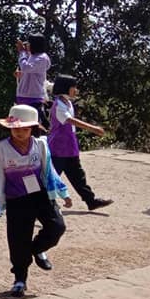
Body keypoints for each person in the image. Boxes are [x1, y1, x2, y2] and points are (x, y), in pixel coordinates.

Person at [0, 104, 71, 297]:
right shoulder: (3, 147)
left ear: (32, 128)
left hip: (40, 195)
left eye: (25, 129)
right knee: (18, 239)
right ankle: (20, 279)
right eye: (16, 128)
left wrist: (63, 192)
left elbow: (49, 170)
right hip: (17, 198)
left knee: (57, 226)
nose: (20, 132)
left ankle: (37, 249)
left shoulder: (40, 145)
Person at [47, 74, 113, 211]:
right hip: (58, 148)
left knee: (78, 176)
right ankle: (40, 203)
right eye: (73, 87)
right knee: (51, 177)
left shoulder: (67, 102)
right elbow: (70, 120)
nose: (76, 90)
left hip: (70, 146)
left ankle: (91, 201)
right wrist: (93, 128)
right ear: (66, 88)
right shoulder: (59, 105)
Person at [14, 34, 51, 128]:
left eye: (28, 43)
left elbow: (26, 67)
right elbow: (29, 72)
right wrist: (20, 74)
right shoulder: (31, 56)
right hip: (22, 95)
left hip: (34, 97)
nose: (26, 45)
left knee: (32, 126)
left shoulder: (42, 58)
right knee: (20, 125)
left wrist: (22, 52)